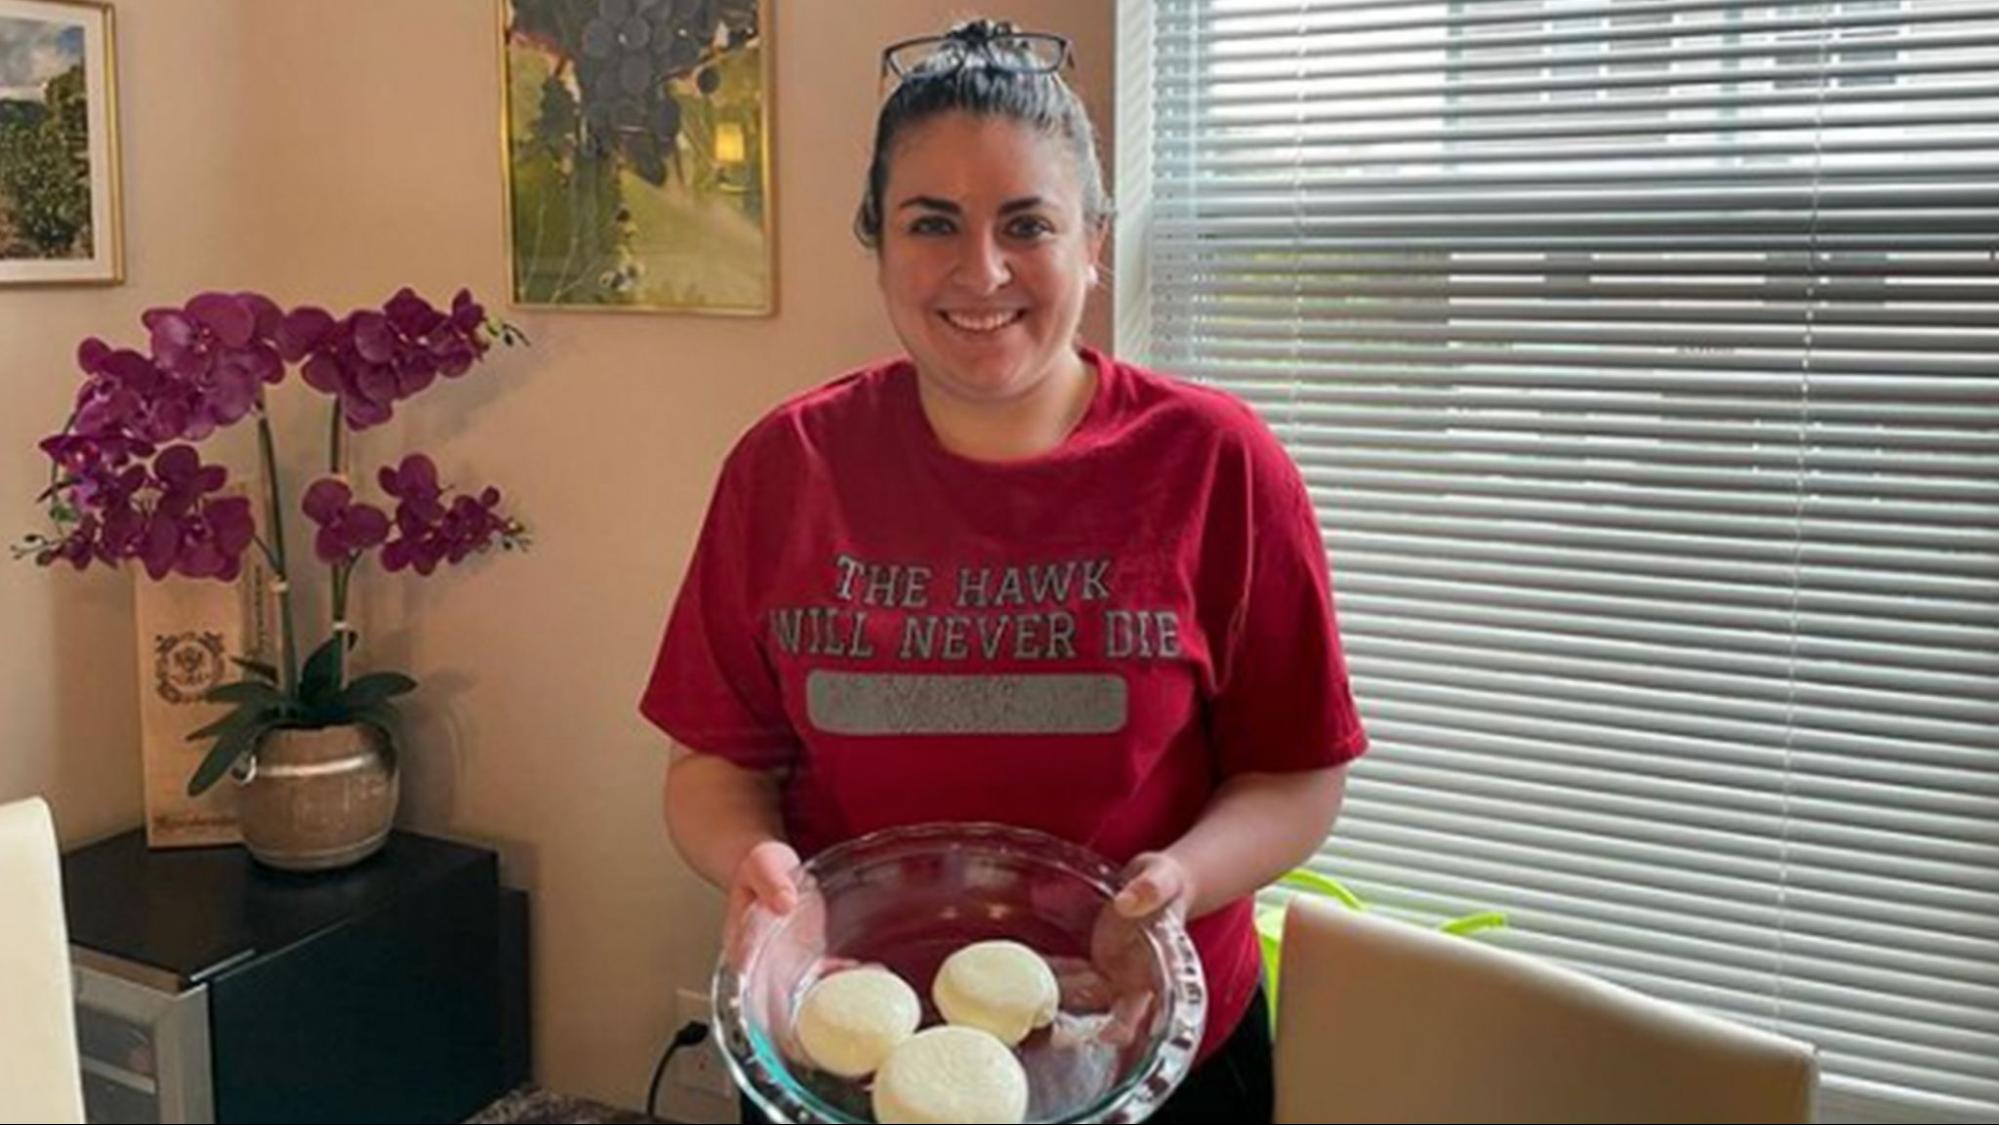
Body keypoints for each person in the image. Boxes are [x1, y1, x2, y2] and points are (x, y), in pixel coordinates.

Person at [640, 19, 1367, 1123]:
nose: (979, 272)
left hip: (1139, 1048)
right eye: (930, 223)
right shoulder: (788, 467)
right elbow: (716, 763)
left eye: (1027, 223)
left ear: (1092, 242)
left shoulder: (1216, 464)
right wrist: (762, 874)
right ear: (878, 241)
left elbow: (1295, 774)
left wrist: (1176, 888)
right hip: (849, 1049)